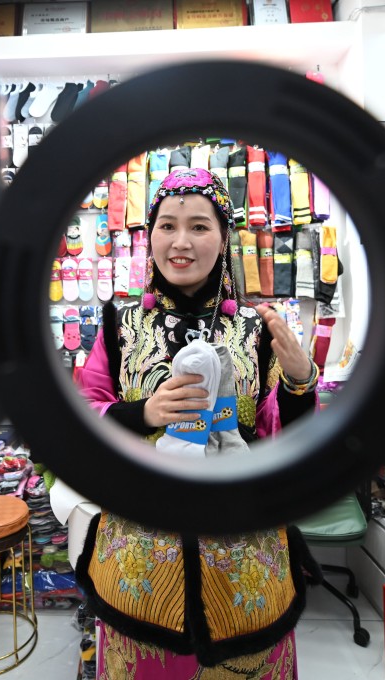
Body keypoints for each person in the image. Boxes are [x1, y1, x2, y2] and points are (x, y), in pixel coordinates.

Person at [75, 167, 320, 679]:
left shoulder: (256, 327)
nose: (180, 242)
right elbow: (83, 416)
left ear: (224, 237)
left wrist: (300, 382)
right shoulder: (120, 323)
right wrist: (143, 413)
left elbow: (283, 439)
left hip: (244, 561)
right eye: (167, 225)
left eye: (199, 226)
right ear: (150, 235)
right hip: (139, 563)